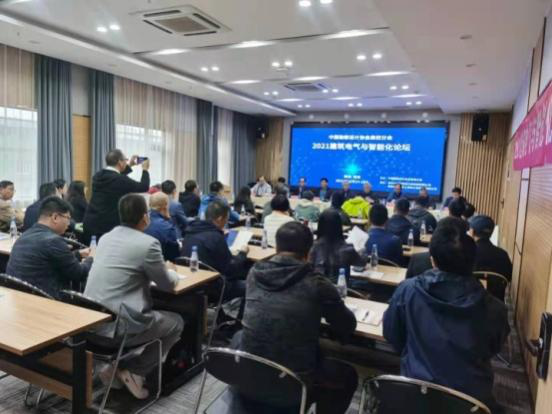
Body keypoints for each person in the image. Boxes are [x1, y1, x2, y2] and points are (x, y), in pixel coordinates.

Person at [383, 220, 509, 412]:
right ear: (473, 263)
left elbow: (391, 334)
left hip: (414, 392)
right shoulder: (495, 309)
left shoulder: (407, 290)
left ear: (432, 260)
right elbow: (492, 349)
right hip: (469, 403)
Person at [235, 222, 358, 414]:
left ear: (276, 247)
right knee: (347, 375)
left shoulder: (255, 272)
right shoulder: (317, 284)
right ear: (309, 252)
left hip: (248, 378)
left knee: (239, 337)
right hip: (292, 388)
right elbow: (347, 325)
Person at [84, 194, 183, 400]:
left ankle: (114, 368)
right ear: (145, 217)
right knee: (176, 322)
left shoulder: (105, 237)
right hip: (117, 330)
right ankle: (134, 370)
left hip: (90, 324)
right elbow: (166, 284)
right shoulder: (148, 244)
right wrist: (171, 271)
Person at [7, 197, 93, 298]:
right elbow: (79, 274)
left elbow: (51, 259)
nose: (69, 223)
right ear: (55, 217)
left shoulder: (24, 235)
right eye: (68, 218)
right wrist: (91, 258)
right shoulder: (54, 240)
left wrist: (78, 254)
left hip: (19, 298)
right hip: (45, 300)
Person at [181, 200, 249, 301]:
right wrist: (242, 254)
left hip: (192, 284)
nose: (226, 222)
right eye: (226, 219)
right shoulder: (215, 237)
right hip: (214, 288)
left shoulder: (190, 232)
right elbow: (231, 271)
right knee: (252, 284)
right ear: (220, 219)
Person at [83, 149, 150, 242]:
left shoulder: (98, 175)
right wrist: (145, 170)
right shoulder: (120, 180)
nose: (126, 162)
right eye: (125, 160)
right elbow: (144, 187)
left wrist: (129, 165)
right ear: (120, 162)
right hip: (105, 227)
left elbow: (115, 177)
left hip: (90, 221)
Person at [310, 209, 367, 283]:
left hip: (317, 288)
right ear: (339, 226)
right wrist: (363, 251)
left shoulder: (313, 248)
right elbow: (361, 263)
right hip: (341, 289)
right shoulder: (347, 249)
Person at [470, 215, 513, 302]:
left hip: (468, 304)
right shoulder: (503, 255)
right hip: (496, 304)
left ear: (472, 232)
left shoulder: (465, 253)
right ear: (491, 232)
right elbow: (508, 277)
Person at [144, 192, 180, 262]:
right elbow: (174, 255)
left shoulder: (142, 221)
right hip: (160, 264)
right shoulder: (167, 227)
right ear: (165, 206)